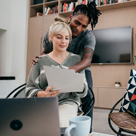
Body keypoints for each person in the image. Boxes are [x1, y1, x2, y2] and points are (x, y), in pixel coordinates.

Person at [33, 1, 101, 132]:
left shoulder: (88, 36)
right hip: (56, 66)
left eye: (83, 26)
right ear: (71, 17)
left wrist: (69, 71)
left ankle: (87, 131)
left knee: (88, 97)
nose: (79, 28)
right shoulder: (55, 30)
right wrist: (39, 59)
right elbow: (46, 52)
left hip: (79, 68)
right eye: (77, 22)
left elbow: (87, 60)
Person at [25, 16, 88, 127]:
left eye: (67, 38)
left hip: (68, 102)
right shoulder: (40, 61)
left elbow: (83, 92)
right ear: (51, 37)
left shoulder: (76, 60)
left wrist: (81, 85)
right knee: (31, 125)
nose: (63, 41)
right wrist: (44, 94)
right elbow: (29, 89)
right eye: (59, 37)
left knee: (60, 122)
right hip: (43, 104)